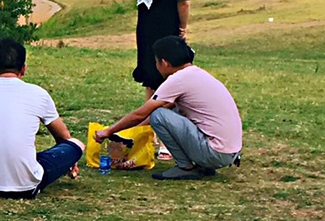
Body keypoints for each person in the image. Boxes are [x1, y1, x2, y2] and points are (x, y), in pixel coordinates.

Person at [0, 37, 84, 198]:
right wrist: (68, 160)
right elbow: (63, 137)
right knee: (76, 144)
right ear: (23, 69)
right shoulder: (38, 94)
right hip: (25, 188)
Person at [97, 35, 242, 181]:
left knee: (158, 115)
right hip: (228, 152)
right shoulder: (197, 74)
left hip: (215, 153)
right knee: (169, 111)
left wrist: (108, 131)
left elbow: (140, 114)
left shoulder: (177, 79)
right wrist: (129, 134)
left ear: (164, 63)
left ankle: (185, 167)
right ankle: (203, 165)